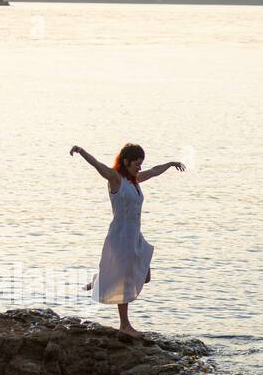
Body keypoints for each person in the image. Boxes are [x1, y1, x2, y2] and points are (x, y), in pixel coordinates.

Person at [69, 143, 184, 337]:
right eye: (136, 164)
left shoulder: (135, 180)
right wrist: (81, 152)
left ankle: (100, 279)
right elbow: (98, 165)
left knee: (145, 276)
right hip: (121, 236)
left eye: (141, 164)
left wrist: (171, 163)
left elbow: (154, 171)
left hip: (135, 235)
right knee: (125, 280)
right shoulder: (116, 179)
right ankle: (124, 325)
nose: (140, 167)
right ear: (126, 162)